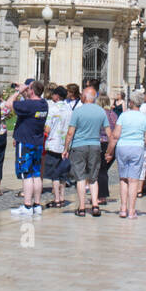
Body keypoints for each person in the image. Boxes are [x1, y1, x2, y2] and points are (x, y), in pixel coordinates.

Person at [106, 93, 146, 219]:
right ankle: (131, 210)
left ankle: (123, 208)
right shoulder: (144, 118)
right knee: (133, 180)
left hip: (122, 147)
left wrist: (109, 151)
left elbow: (115, 136)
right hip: (137, 148)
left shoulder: (123, 115)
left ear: (131, 102)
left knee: (123, 179)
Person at [63, 87, 107, 217]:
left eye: (82, 94)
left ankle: (81, 207)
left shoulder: (78, 111)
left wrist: (66, 148)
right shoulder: (101, 111)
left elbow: (70, 132)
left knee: (80, 177)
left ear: (85, 97)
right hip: (95, 145)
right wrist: (109, 150)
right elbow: (108, 131)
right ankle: (95, 205)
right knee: (93, 178)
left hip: (79, 146)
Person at [10, 80, 49, 216]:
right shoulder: (44, 104)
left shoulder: (29, 105)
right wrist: (28, 91)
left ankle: (27, 205)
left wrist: (18, 91)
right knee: (36, 174)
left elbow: (9, 104)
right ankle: (37, 204)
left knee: (26, 174)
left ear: (31, 91)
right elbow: (30, 104)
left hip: (25, 142)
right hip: (38, 142)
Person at [40, 85, 73, 208]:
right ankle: (63, 196)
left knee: (54, 173)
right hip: (65, 144)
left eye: (54, 94)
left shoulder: (53, 109)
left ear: (57, 96)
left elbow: (47, 127)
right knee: (63, 172)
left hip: (53, 143)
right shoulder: (69, 109)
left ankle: (57, 198)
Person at [96, 92, 118, 204]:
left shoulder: (99, 114)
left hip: (101, 143)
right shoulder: (113, 115)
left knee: (100, 171)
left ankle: (101, 196)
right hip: (112, 144)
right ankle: (100, 194)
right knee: (103, 170)